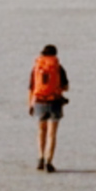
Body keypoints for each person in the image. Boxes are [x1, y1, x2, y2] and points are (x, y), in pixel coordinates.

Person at [28, 44, 69, 173]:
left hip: (39, 102)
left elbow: (31, 88)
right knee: (52, 134)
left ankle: (40, 158)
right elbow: (66, 87)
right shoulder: (58, 68)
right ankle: (49, 162)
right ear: (55, 55)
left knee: (41, 131)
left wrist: (30, 104)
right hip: (55, 102)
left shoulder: (36, 67)